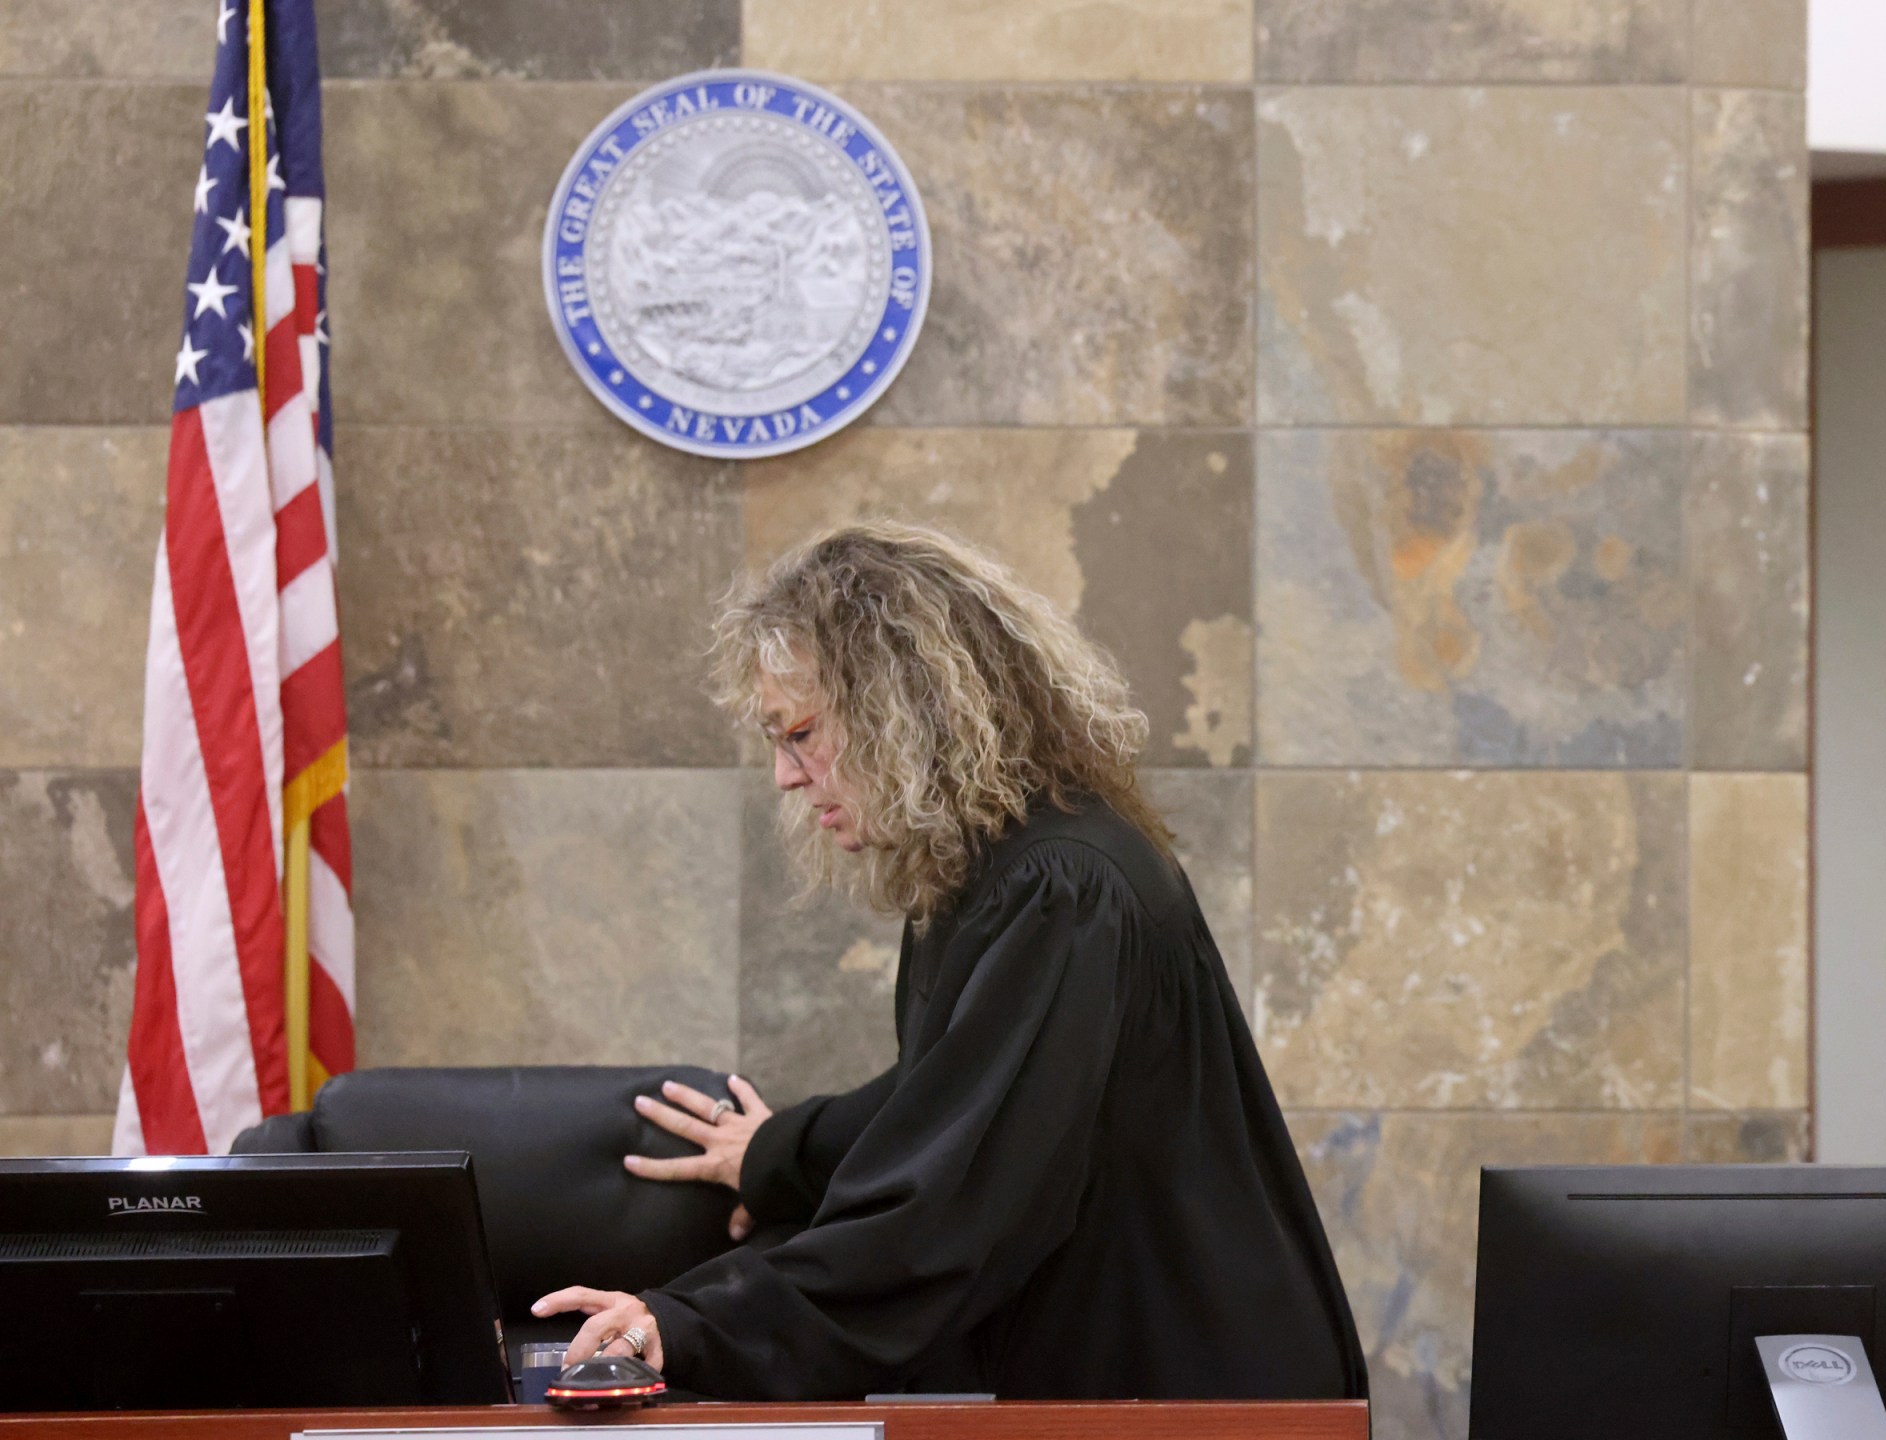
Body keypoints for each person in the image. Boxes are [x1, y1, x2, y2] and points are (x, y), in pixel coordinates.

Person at [531, 521, 1368, 1402]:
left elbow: (951, 1207)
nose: (785, 776)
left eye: (803, 732)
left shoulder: (1060, 885)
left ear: (903, 709)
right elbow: (947, 1092)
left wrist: (692, 1324)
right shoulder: (1004, 868)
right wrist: (778, 1153)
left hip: (1196, 1399)